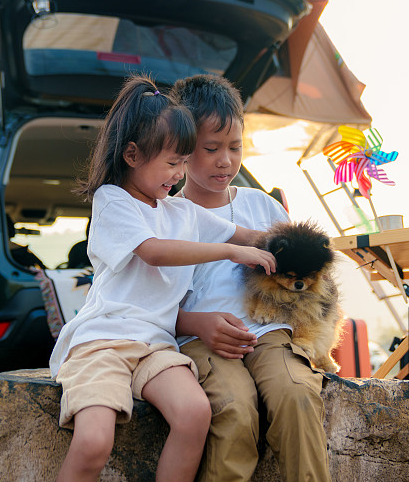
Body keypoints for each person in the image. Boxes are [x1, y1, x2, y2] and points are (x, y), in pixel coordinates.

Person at [49, 75, 276, 482]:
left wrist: (298, 244)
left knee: (195, 414)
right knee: (94, 441)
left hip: (156, 345)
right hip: (104, 341)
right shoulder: (113, 200)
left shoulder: (181, 211)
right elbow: (154, 251)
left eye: (185, 162)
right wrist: (229, 251)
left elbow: (249, 235)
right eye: (173, 163)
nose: (180, 174)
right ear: (133, 155)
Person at [172, 74, 331, 482]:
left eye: (235, 147)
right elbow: (152, 303)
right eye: (211, 148)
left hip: (271, 334)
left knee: (297, 395)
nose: (225, 160)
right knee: (235, 409)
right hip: (202, 342)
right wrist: (196, 324)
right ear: (182, 146)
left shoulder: (263, 207)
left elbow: (310, 283)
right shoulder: (167, 217)